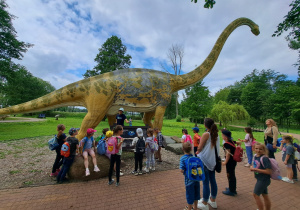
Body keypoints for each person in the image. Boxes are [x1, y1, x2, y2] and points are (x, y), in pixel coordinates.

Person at [196, 118, 219, 210]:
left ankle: (205, 203)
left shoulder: (206, 134)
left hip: (204, 160)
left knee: (205, 182)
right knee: (213, 180)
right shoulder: (216, 134)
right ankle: (213, 201)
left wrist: (197, 151)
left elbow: (199, 147)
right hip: (212, 160)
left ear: (205, 125)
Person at [250, 143, 272, 210]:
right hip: (260, 178)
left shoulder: (264, 158)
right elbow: (254, 164)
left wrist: (255, 169)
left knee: (255, 195)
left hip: (264, 180)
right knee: (265, 195)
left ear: (264, 150)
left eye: (260, 149)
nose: (258, 150)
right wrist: (252, 167)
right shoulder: (256, 156)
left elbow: (269, 171)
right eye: (256, 148)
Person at [180, 142, 200, 210]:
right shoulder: (194, 157)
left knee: (189, 195)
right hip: (196, 179)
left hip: (188, 181)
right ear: (191, 148)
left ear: (183, 149)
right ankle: (195, 208)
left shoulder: (183, 158)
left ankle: (189, 208)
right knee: (196, 195)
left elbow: (181, 170)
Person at [222, 129, 237, 196]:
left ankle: (232, 191)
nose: (222, 136)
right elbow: (238, 143)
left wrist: (225, 162)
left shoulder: (227, 144)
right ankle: (232, 188)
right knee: (232, 174)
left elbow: (228, 154)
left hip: (230, 162)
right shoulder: (231, 141)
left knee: (230, 175)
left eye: (222, 135)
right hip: (233, 161)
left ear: (225, 136)